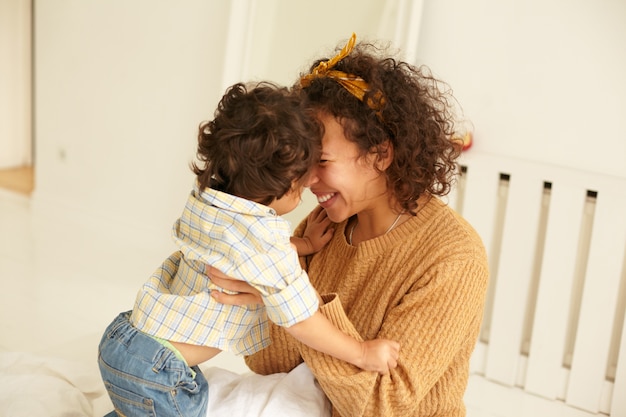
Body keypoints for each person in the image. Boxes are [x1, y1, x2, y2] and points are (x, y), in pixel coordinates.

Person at [208, 34, 490, 417]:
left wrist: (293, 302)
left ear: (381, 153)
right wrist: (273, 302)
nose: (307, 181)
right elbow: (272, 366)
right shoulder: (323, 228)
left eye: (322, 161)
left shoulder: (453, 257)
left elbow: (383, 402)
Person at [97, 82, 400, 417]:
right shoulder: (268, 242)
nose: (312, 182)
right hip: (159, 371)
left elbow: (244, 248)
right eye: (303, 180)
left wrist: (305, 245)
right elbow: (301, 320)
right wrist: (361, 352)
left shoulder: (207, 203)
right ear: (279, 185)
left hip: (123, 338)